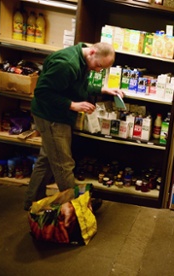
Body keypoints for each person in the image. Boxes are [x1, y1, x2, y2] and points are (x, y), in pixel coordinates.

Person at [24, 42, 124, 211]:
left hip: (56, 115)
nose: (99, 70)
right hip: (51, 117)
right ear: (92, 52)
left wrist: (104, 90)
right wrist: (72, 105)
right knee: (64, 164)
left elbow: (77, 87)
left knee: (47, 159)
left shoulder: (82, 60)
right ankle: (77, 208)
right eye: (99, 66)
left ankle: (32, 203)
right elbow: (41, 92)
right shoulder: (67, 64)